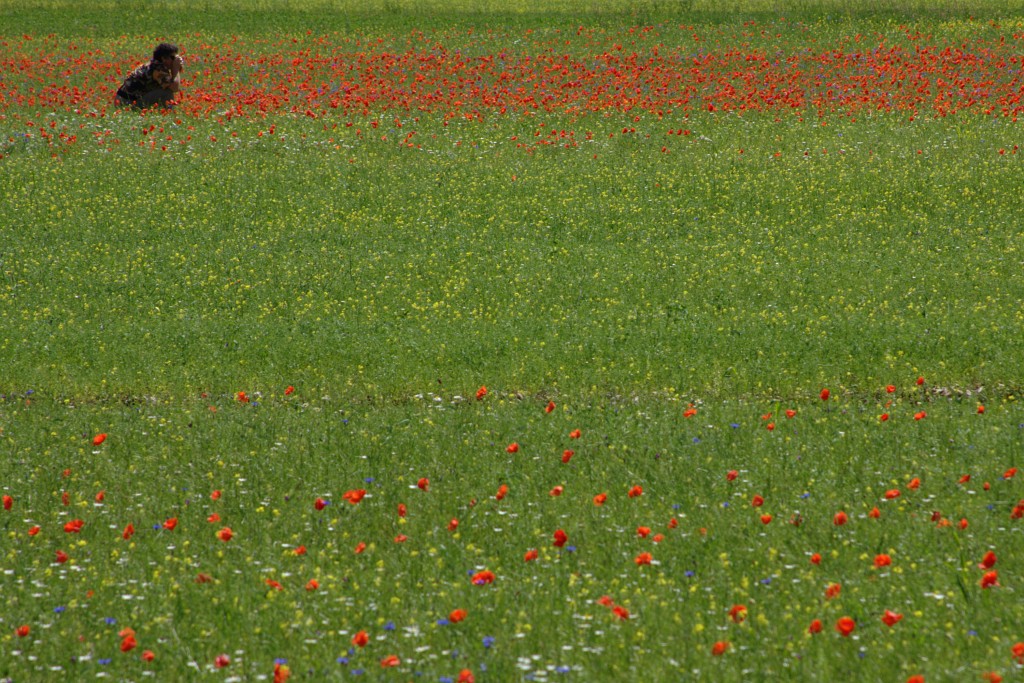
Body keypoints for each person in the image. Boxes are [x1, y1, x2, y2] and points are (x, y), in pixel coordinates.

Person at [116, 42, 184, 108]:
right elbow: (174, 87)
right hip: (125, 103)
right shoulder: (157, 68)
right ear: (164, 58)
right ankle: (169, 113)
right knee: (167, 92)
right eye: (173, 58)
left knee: (164, 88)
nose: (175, 60)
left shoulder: (154, 64)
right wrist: (175, 68)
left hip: (125, 100)